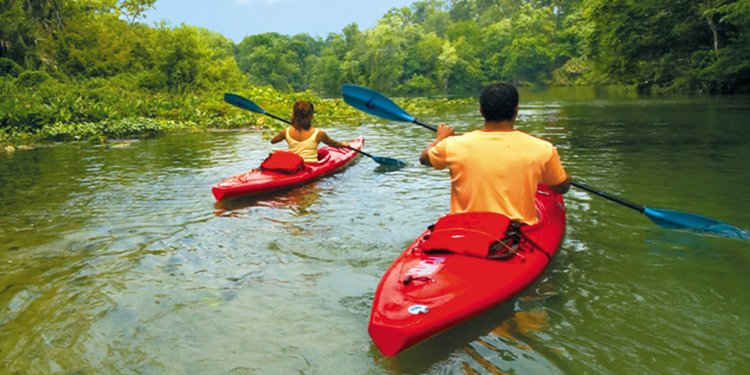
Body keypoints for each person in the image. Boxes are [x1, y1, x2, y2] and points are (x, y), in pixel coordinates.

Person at [419, 83, 570, 225]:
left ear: (481, 111)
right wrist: (562, 177)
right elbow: (561, 187)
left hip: (464, 230)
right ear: (516, 110)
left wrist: (440, 138)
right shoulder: (543, 149)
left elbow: (424, 159)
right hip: (515, 232)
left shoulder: (452, 145)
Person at [270, 100, 349, 162]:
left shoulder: (285, 132)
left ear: (293, 116)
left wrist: (290, 127)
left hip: (294, 166)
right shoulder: (319, 133)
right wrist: (344, 145)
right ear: (311, 117)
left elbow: (273, 141)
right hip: (311, 166)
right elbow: (334, 144)